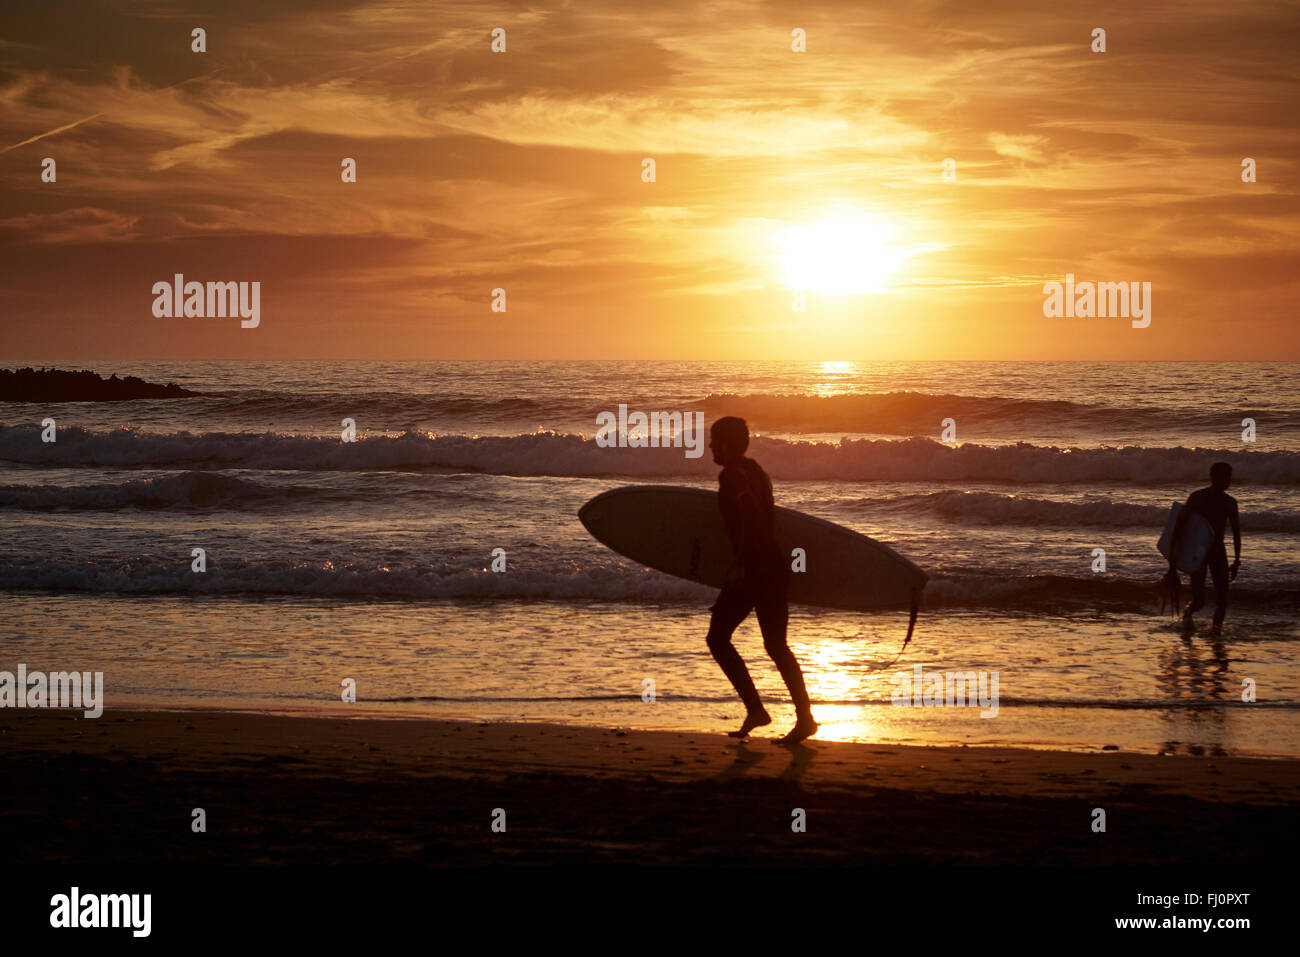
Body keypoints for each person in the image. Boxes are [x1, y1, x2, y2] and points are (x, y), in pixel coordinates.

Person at [705, 416, 817, 743]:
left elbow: (752, 517)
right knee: (776, 646)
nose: (710, 446)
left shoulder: (732, 476)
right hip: (774, 567)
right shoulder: (757, 472)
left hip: (754, 568)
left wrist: (739, 566)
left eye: (714, 440)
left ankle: (756, 709)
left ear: (726, 443)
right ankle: (804, 718)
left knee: (718, 638)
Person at [1169, 461, 1241, 635]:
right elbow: (1178, 528)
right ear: (1213, 477)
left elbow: (1236, 533)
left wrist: (1237, 559)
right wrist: (1172, 564)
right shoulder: (1198, 497)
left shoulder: (1230, 502)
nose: (1227, 480)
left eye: (1229, 476)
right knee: (1199, 601)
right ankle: (1188, 614)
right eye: (1224, 476)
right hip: (1197, 553)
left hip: (1218, 551)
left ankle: (1216, 631)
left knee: (1222, 599)